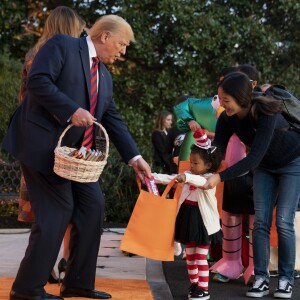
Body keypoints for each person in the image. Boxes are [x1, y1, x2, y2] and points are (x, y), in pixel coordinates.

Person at [2, 13, 151, 300]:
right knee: (57, 210)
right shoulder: (63, 46)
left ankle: (77, 283)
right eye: (121, 44)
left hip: (74, 158)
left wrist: (135, 158)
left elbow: (112, 119)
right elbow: (38, 81)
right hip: (40, 146)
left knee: (93, 206)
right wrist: (71, 109)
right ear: (104, 36)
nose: (123, 52)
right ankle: (26, 289)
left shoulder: (105, 77)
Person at [202, 72, 300, 299]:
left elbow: (253, 157)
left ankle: (285, 279)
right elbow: (217, 149)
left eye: (226, 100)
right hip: (265, 166)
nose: (222, 104)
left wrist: (219, 177)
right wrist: (201, 169)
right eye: (220, 99)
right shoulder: (227, 118)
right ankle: (261, 279)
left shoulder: (266, 110)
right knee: (261, 222)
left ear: (241, 98)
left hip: (292, 162)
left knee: (284, 220)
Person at [16, 5, 87, 285]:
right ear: (69, 28)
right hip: (46, 141)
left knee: (48, 211)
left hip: (38, 137)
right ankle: (48, 266)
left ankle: (48, 266)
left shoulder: (37, 52)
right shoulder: (50, 54)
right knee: (52, 210)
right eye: (79, 29)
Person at [153, 128, 223, 300]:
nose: (191, 166)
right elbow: (171, 178)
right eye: (191, 162)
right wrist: (152, 176)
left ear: (208, 165)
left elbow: (201, 182)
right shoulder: (189, 175)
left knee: (200, 257)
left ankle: (204, 288)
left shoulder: (209, 179)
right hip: (188, 218)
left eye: (195, 163)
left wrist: (186, 177)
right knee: (190, 256)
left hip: (202, 222)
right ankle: (194, 284)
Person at [151, 109, 174, 174]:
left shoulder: (168, 132)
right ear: (162, 120)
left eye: (171, 120)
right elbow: (162, 151)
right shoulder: (157, 133)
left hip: (168, 165)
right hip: (162, 166)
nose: (170, 122)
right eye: (168, 120)